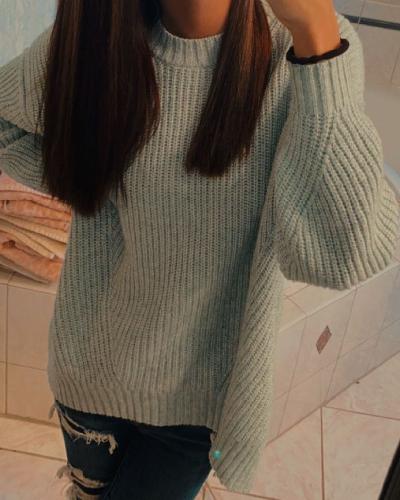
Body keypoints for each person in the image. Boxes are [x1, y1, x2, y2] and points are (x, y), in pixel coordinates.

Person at [1, 0, 399, 498]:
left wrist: (316, 33)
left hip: (195, 405)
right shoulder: (99, 37)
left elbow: (349, 254)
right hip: (90, 373)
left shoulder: (306, 50)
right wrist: (89, 174)